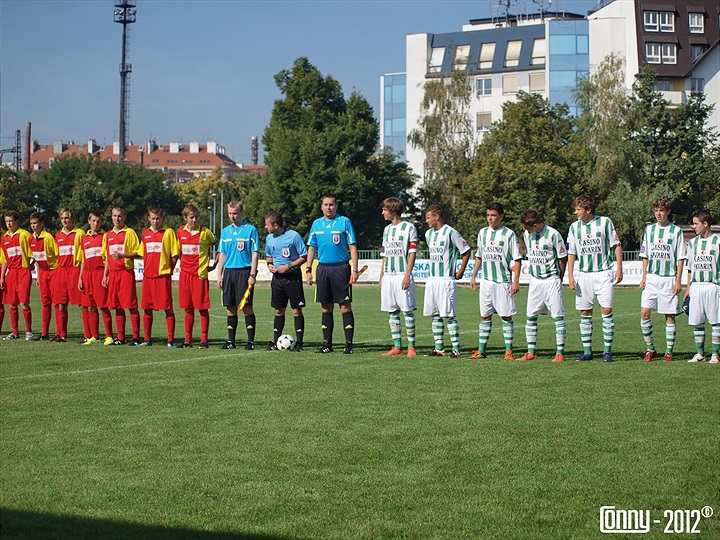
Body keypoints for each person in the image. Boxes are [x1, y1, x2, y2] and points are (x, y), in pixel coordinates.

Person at [566, 194, 623, 362]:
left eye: (578, 209)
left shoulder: (605, 222)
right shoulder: (574, 227)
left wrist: (619, 268)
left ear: (588, 209)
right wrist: (570, 275)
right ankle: (587, 351)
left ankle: (607, 351)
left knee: (606, 310)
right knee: (585, 312)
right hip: (583, 274)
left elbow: (616, 245)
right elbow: (571, 252)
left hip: (603, 272)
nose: (575, 212)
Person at [306, 195, 359, 354]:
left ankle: (348, 345)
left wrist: (355, 270)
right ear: (321, 207)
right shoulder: (316, 224)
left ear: (336, 206)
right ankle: (326, 344)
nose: (328, 207)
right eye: (325, 205)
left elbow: (353, 247)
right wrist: (308, 270)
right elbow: (311, 248)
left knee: (344, 306)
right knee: (325, 307)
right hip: (323, 269)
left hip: (341, 268)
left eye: (331, 205)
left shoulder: (344, 222)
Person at [469, 202, 522, 360]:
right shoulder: (483, 233)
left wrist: (516, 281)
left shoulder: (509, 234)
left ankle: (508, 351)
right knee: (485, 316)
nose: (490, 218)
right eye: (488, 215)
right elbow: (479, 256)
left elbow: (517, 259)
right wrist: (473, 276)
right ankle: (481, 350)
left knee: (506, 316)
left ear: (501, 216)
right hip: (486, 282)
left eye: (493, 215)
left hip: (502, 281)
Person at [639, 199, 686, 363]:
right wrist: (644, 277)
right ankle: (650, 349)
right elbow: (645, 255)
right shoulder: (649, 230)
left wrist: (679, 280)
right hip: (652, 278)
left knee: (669, 316)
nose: (658, 213)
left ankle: (668, 351)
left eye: (661, 210)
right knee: (644, 313)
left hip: (669, 279)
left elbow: (680, 258)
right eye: (656, 211)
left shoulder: (676, 231)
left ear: (668, 212)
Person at [517, 209, 568, 362]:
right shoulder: (527, 235)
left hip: (551, 279)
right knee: (530, 316)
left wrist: (559, 277)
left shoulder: (553, 234)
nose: (524, 230)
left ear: (535, 224)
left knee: (557, 316)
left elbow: (562, 258)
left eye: (527, 227)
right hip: (535, 281)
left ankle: (559, 353)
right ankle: (531, 352)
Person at [423, 204, 471, 358]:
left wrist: (461, 270)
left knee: (449, 315)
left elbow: (466, 251)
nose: (426, 221)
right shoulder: (428, 234)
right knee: (435, 314)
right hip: (432, 280)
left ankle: (456, 350)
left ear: (437, 216)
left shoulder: (451, 232)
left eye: (428, 217)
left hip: (446, 280)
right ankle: (439, 348)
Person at [216, 200, 259, 350]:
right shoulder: (225, 231)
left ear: (241, 213)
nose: (232, 216)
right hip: (229, 273)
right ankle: (231, 341)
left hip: (244, 272)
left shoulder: (250, 230)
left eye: (235, 213)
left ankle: (250, 342)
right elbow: (222, 254)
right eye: (230, 213)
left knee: (246, 307)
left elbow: (254, 253)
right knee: (230, 308)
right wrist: (219, 275)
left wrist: (252, 274)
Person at [378, 197, 418, 358]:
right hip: (389, 276)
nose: (382, 213)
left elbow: (412, 253)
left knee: (407, 311)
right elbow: (384, 254)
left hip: (402, 274)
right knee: (392, 311)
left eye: (384, 210)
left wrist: (407, 275)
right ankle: (397, 346)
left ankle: (411, 347)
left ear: (393, 210)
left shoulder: (409, 228)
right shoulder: (387, 230)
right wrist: (381, 275)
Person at [264, 211, 307, 351]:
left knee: (296, 310)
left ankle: (299, 343)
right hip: (277, 279)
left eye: (267, 225)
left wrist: (288, 266)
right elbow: (269, 256)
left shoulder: (294, 236)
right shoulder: (269, 238)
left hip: (292, 278)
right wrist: (269, 265)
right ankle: (276, 342)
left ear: (275, 225)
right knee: (278, 310)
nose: (265, 227)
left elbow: (304, 256)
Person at [137, 207, 180, 348]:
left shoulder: (168, 233)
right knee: (147, 309)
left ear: (162, 219)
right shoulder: (145, 234)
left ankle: (170, 340)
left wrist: (169, 270)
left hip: (162, 277)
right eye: (153, 218)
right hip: (148, 277)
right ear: (149, 218)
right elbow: (142, 253)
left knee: (168, 308)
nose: (155, 221)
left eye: (158, 218)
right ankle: (147, 339)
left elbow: (174, 255)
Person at [176, 205, 217, 348]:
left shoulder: (205, 232)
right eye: (191, 217)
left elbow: (217, 245)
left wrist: (215, 264)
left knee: (202, 308)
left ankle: (204, 340)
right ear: (185, 218)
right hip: (185, 275)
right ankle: (188, 340)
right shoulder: (180, 232)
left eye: (196, 217)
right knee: (188, 308)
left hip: (199, 275)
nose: (194, 220)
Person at [682, 209, 719, 363]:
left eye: (696, 223)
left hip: (713, 285)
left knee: (716, 321)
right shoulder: (693, 243)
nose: (693, 227)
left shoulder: (717, 241)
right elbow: (689, 267)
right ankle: (700, 353)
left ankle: (716, 354)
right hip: (696, 286)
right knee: (697, 321)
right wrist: (688, 287)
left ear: (705, 224)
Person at [102, 206, 141, 346]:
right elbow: (106, 256)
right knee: (117, 306)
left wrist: (123, 255)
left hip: (125, 273)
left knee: (131, 305)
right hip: (113, 275)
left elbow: (138, 252)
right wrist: (105, 275)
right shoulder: (107, 235)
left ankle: (136, 338)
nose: (117, 219)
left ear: (124, 217)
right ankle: (121, 338)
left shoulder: (129, 232)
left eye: (119, 216)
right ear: (111, 217)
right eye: (114, 216)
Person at [78, 211, 114, 345]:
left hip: (99, 274)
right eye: (93, 221)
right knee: (90, 306)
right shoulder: (84, 238)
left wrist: (106, 275)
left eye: (98, 221)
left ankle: (109, 336)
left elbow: (107, 259)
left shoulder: (104, 237)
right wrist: (80, 277)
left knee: (103, 306)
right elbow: (82, 260)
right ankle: (94, 336)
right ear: (89, 221)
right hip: (87, 275)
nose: (95, 224)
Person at [1, 210, 33, 340]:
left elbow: (34, 250)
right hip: (11, 273)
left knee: (24, 302)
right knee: (12, 304)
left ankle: (28, 331)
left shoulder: (25, 235)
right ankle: (15, 332)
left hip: (23, 271)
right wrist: (2, 277)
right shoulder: (4, 239)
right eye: (6, 221)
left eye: (11, 221)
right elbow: (4, 260)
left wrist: (32, 263)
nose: (9, 224)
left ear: (16, 221)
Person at [55, 209, 84, 342]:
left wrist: (80, 275)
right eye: (62, 218)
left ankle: (87, 334)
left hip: (74, 270)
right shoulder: (58, 235)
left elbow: (83, 255)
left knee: (81, 303)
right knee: (61, 304)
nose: (65, 221)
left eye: (67, 218)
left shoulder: (80, 233)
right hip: (61, 271)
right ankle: (62, 335)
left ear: (72, 219)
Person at [28, 211, 58, 341]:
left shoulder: (49, 237)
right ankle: (44, 333)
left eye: (35, 223)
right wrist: (39, 276)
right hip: (43, 273)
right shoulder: (31, 239)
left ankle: (59, 333)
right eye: (31, 224)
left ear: (41, 223)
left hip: (54, 271)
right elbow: (36, 260)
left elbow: (58, 255)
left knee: (57, 303)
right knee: (45, 303)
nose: (33, 226)